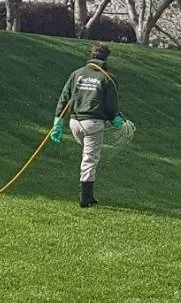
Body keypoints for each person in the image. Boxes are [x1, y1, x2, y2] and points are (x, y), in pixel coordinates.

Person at [51, 43, 125, 208]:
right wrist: (115, 119)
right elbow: (110, 105)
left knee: (87, 154)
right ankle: (86, 199)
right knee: (90, 159)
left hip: (75, 122)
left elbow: (65, 97)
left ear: (91, 55)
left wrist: (58, 121)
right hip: (93, 123)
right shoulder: (107, 78)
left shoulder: (77, 74)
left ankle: (88, 194)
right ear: (106, 57)